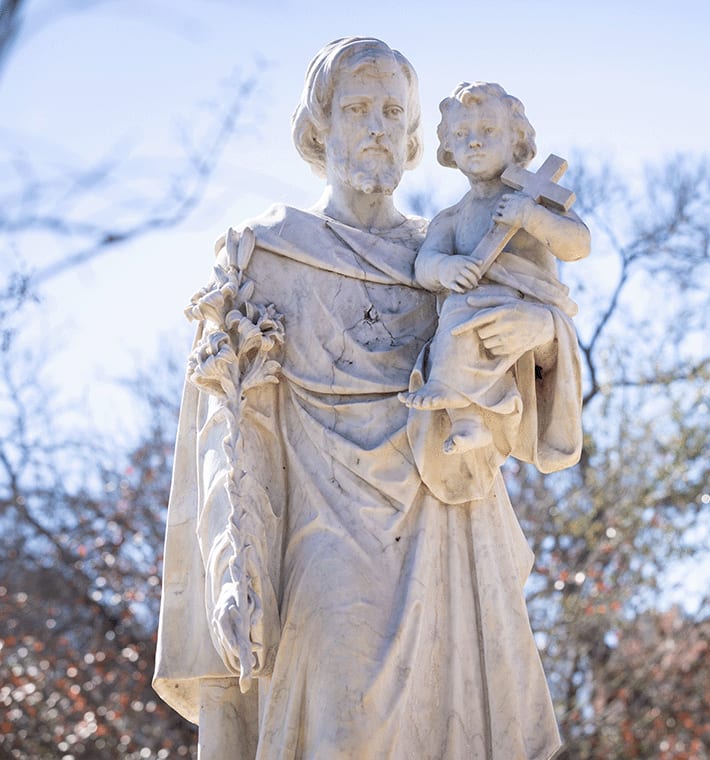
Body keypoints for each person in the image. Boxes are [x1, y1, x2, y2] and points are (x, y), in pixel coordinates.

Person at [153, 37, 581, 760]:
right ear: (318, 126)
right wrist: (231, 565)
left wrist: (542, 330)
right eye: (357, 108)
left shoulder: (445, 255)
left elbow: (522, 372)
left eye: (392, 110)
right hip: (320, 535)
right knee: (339, 726)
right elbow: (226, 429)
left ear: (417, 131)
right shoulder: (268, 251)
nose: (378, 125)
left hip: (447, 530)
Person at [399, 82, 588, 459]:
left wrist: (533, 217)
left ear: (516, 141)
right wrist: (446, 267)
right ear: (448, 147)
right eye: (462, 134)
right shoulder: (451, 218)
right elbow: (425, 266)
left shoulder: (538, 197)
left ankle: (491, 415)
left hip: (526, 303)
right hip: (472, 304)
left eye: (488, 131)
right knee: (455, 326)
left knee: (464, 324)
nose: (474, 142)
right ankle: (468, 421)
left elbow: (578, 244)